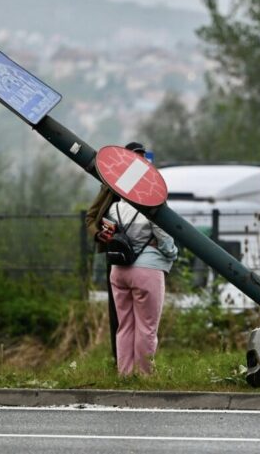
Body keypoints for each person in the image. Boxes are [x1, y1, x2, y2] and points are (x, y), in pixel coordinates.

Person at [85, 142, 148, 364]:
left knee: (145, 318)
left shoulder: (149, 186)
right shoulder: (110, 185)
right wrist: (98, 234)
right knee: (118, 313)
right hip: (116, 253)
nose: (140, 162)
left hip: (144, 255)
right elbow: (91, 217)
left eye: (142, 157)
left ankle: (142, 364)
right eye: (136, 157)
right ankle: (120, 362)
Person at [106, 190, 178, 375]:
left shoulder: (114, 208)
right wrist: (172, 253)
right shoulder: (150, 207)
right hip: (147, 270)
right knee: (147, 327)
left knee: (124, 325)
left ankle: (125, 374)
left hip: (118, 270)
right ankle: (144, 375)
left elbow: (108, 235)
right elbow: (164, 238)